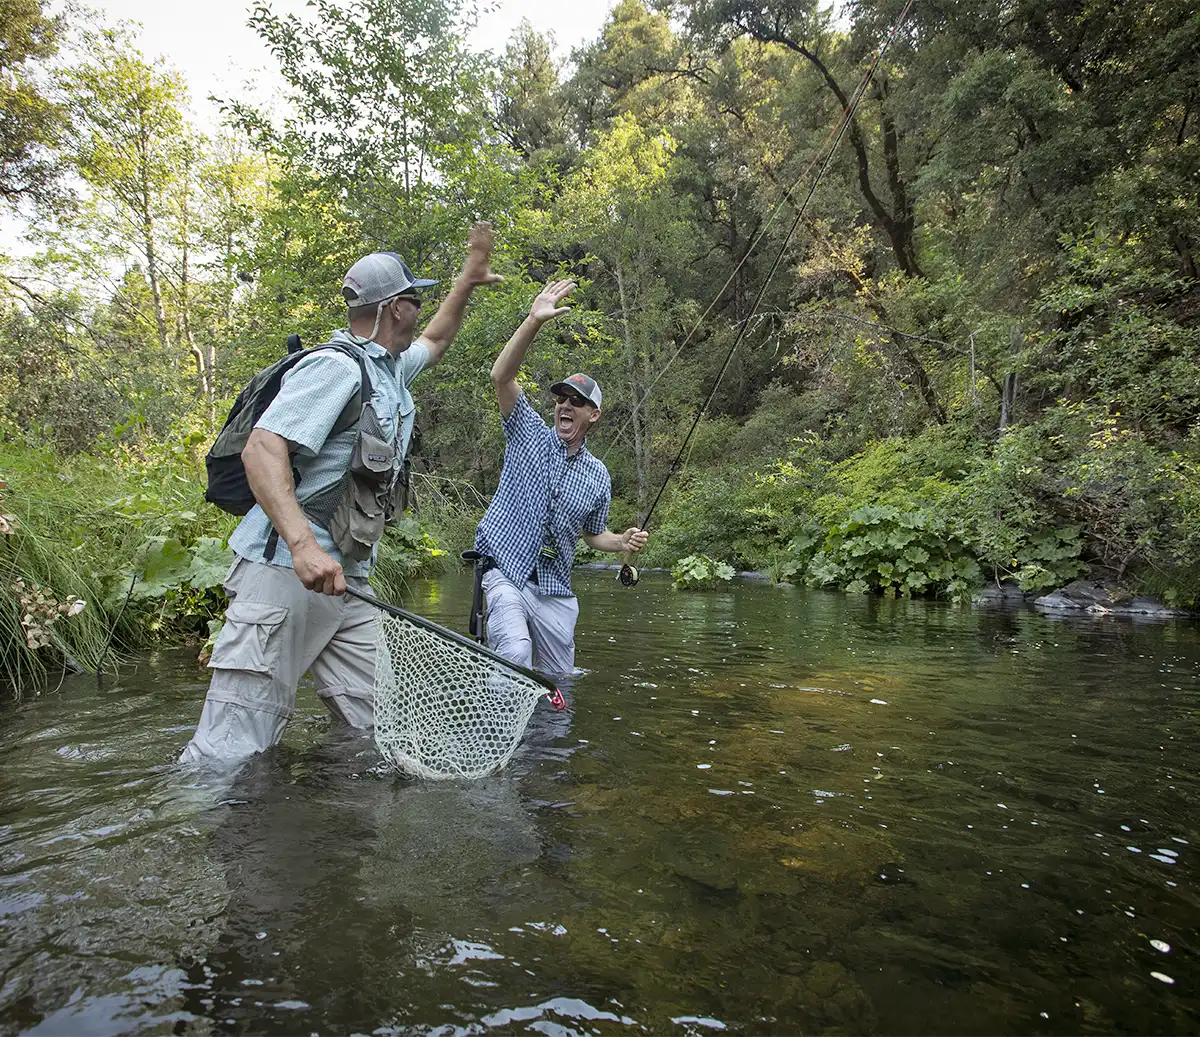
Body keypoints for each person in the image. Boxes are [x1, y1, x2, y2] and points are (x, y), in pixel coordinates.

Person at [181, 222, 503, 762]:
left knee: (381, 736)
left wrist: (468, 280)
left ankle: (335, 813)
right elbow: (262, 449)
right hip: (283, 576)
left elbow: (437, 341)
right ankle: (204, 815)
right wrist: (303, 546)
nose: (420, 309)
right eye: (415, 300)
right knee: (230, 750)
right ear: (395, 308)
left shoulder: (390, 371)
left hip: (346, 586)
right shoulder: (335, 368)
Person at [473, 279, 649, 677]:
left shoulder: (598, 475)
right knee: (515, 653)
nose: (565, 406)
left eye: (577, 402)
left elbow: (593, 535)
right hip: (505, 573)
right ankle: (504, 718)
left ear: (593, 415)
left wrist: (620, 542)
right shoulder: (527, 432)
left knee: (559, 686)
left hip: (555, 590)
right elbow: (501, 377)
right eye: (561, 399)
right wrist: (534, 321)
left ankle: (546, 722)